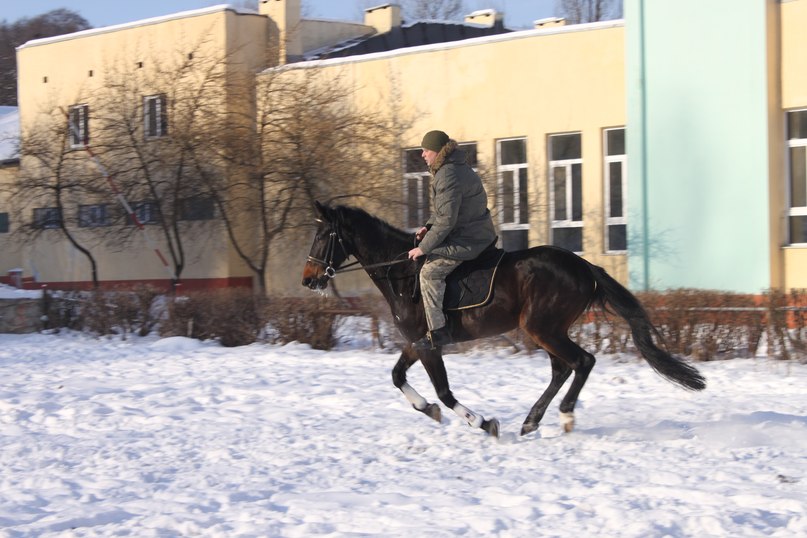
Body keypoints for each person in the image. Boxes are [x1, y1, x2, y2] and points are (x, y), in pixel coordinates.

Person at [408, 130, 497, 350]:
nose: (422, 154)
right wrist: (428, 227)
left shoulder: (447, 174)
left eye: (426, 150)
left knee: (428, 273)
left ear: (438, 152)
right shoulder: (455, 168)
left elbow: (447, 221)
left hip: (468, 239)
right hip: (473, 232)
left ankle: (438, 332)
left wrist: (423, 247)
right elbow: (443, 211)